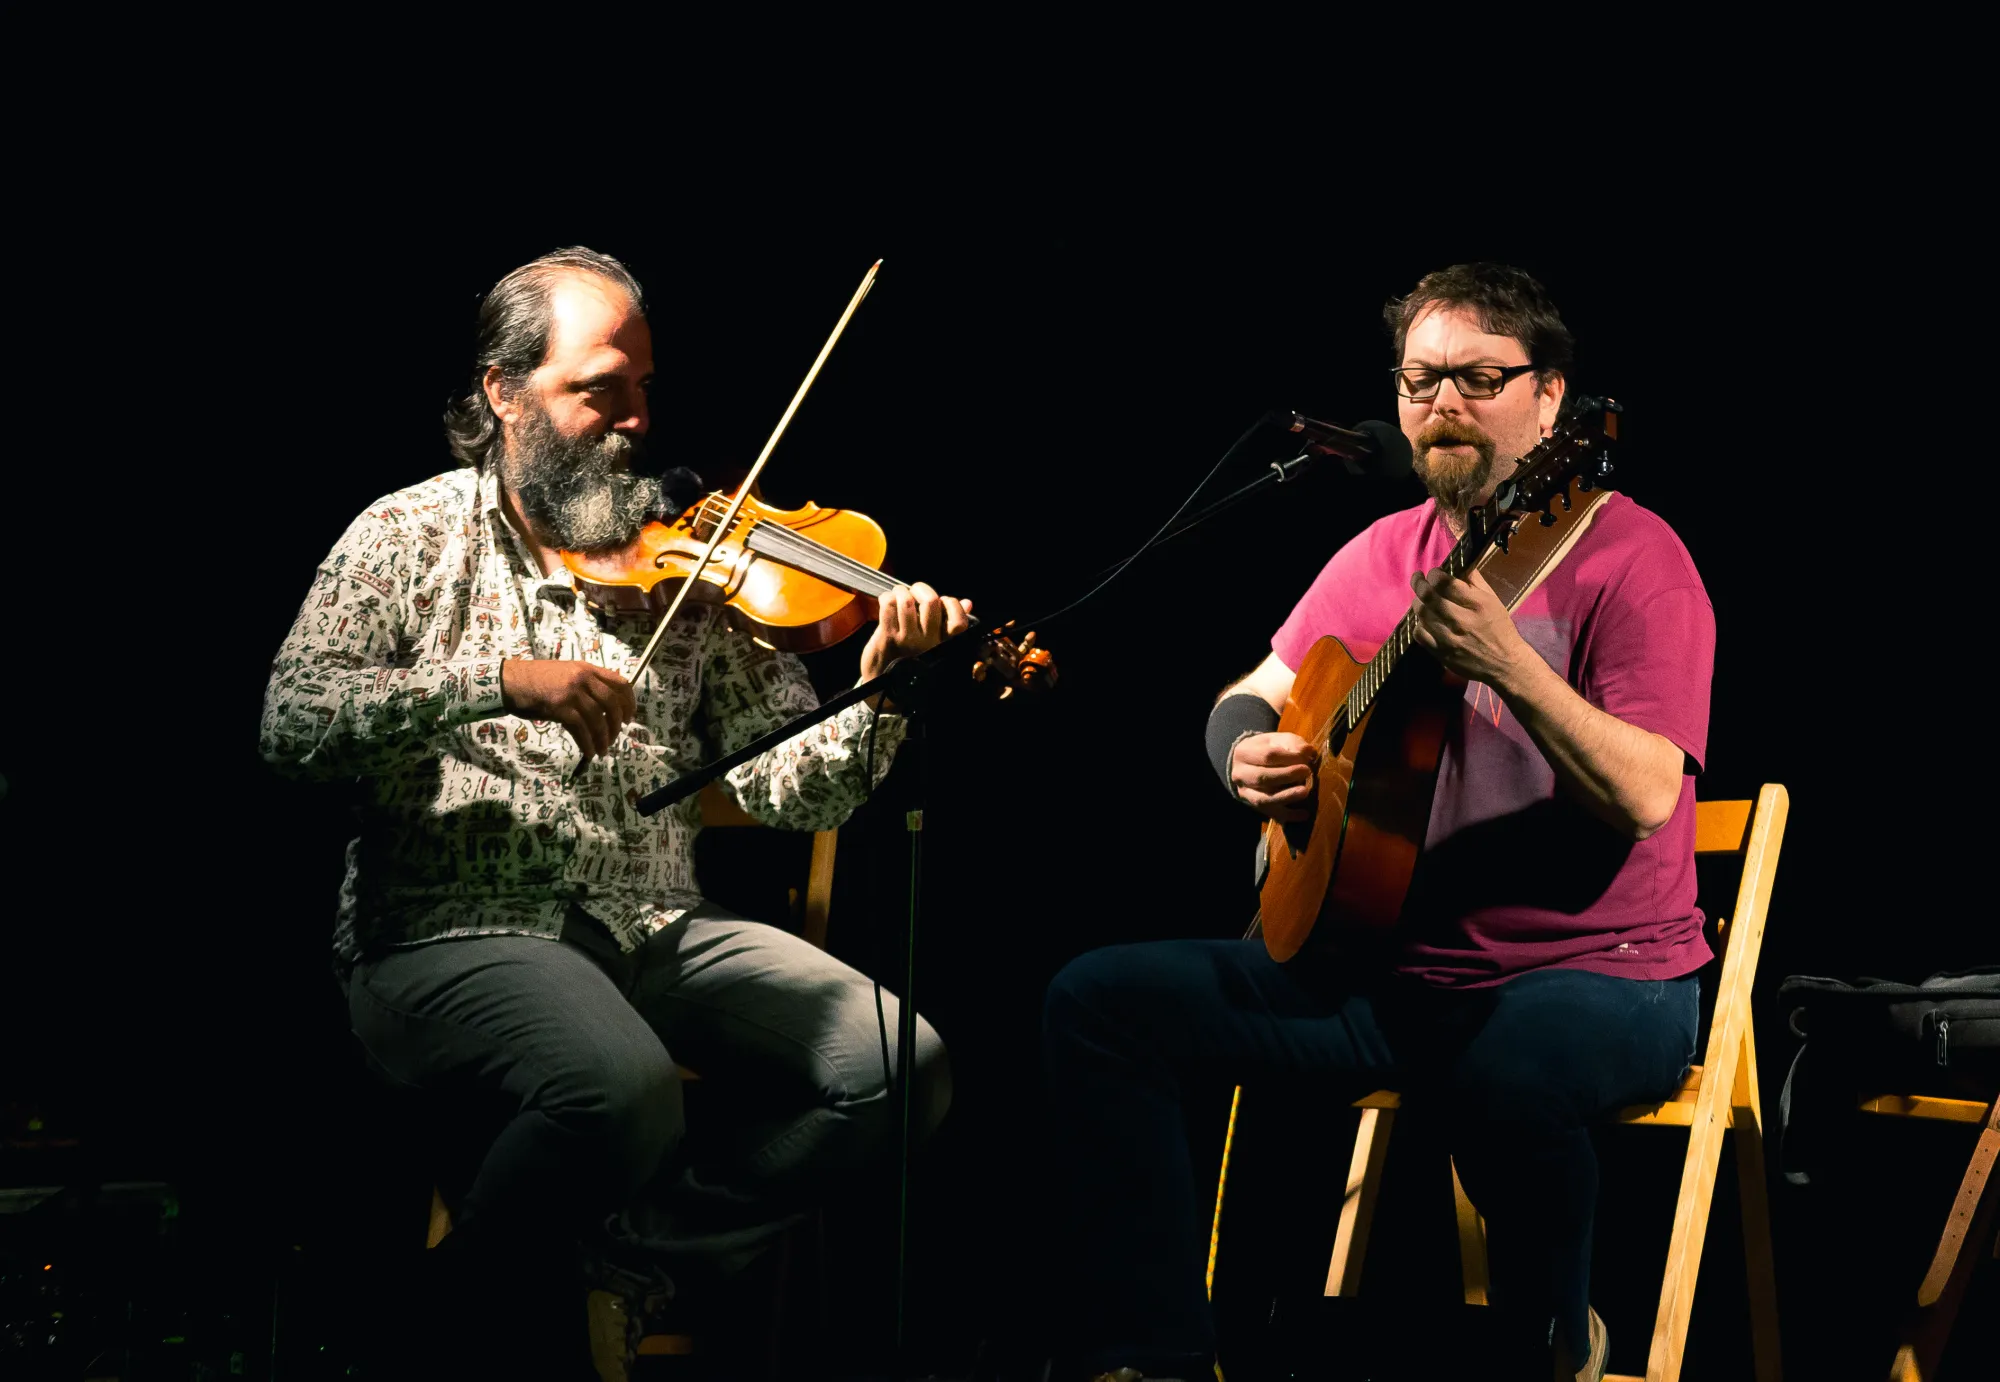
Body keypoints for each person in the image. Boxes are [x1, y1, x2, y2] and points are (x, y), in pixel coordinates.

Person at [258, 246, 958, 1376]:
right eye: (599, 389)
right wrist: (499, 678)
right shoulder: (405, 534)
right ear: (503, 391)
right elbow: (292, 723)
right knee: (622, 1092)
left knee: (898, 1062)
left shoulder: (693, 557)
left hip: (653, 927)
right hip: (450, 926)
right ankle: (436, 1329)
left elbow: (793, 787)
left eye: (643, 389)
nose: (635, 420)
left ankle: (631, 1266)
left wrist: (883, 688)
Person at [1042, 263, 1715, 1382]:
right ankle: (1156, 1351)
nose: (1440, 404)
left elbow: (1649, 792)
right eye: (1417, 382)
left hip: (1601, 979)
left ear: (1549, 400)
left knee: (1496, 1067)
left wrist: (1512, 666)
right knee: (1098, 1000)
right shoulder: (1379, 552)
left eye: (1474, 378)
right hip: (1396, 977)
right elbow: (1249, 692)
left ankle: (1555, 1332)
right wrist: (1243, 757)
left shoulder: (1632, 560)